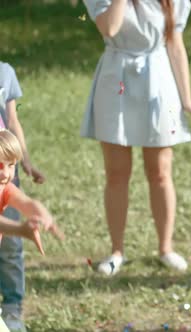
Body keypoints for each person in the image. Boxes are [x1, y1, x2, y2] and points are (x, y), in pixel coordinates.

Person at [81, 0, 191, 276]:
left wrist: (187, 100)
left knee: (160, 172)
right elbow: (111, 28)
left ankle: (166, 248)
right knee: (116, 174)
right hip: (116, 77)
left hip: (158, 78)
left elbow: (175, 43)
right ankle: (117, 251)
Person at [0, 130, 63, 332]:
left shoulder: (5, 188)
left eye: (11, 165)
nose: (5, 173)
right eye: (0, 165)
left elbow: (27, 203)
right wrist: (21, 230)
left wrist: (44, 217)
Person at [0, 61, 46, 331]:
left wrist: (24, 161)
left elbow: (13, 121)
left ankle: (13, 307)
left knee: (10, 247)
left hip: (6, 176)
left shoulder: (5, 72)